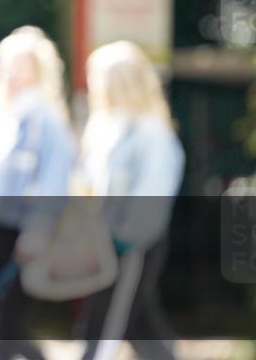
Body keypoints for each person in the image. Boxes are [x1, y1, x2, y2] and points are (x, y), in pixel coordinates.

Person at [0, 26, 77, 360]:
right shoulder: (4, 116)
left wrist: (37, 233)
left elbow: (55, 183)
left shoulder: (46, 120)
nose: (12, 70)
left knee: (5, 327)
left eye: (21, 63)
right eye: (8, 62)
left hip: (20, 234)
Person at [76, 41, 185, 360]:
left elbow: (152, 196)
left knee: (102, 329)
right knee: (141, 327)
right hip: (105, 243)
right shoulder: (105, 126)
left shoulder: (151, 132)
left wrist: (125, 238)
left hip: (131, 245)